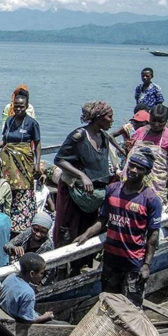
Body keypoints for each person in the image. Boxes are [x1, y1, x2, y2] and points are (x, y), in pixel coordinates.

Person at [76, 147, 161, 307]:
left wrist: (147, 265)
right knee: (108, 303)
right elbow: (103, 219)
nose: (133, 170)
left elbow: (153, 235)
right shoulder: (112, 190)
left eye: (139, 168)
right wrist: (86, 234)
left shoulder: (150, 199)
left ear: (147, 173)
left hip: (134, 261)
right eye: (132, 165)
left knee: (131, 307)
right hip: (111, 259)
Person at [54, 101, 114, 254]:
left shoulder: (104, 137)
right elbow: (59, 159)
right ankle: (63, 265)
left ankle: (83, 262)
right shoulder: (79, 136)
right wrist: (82, 175)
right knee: (69, 228)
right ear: (98, 118)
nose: (112, 120)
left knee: (88, 227)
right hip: (76, 193)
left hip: (94, 195)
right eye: (110, 117)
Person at [0, 91, 41, 235]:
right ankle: (5, 218)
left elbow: (38, 144)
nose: (19, 109)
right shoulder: (9, 120)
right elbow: (5, 140)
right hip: (8, 160)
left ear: (26, 106)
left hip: (23, 162)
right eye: (16, 106)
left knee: (22, 190)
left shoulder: (32, 123)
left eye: (21, 106)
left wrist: (37, 163)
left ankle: (20, 225)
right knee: (6, 187)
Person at [128, 104, 168, 204]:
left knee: (151, 204)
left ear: (166, 120)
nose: (156, 124)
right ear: (149, 117)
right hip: (134, 177)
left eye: (161, 121)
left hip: (156, 182)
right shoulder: (140, 132)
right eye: (153, 120)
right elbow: (129, 154)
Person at [0, 253, 56, 323]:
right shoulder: (28, 293)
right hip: (16, 322)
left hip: (4, 312)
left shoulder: (11, 277)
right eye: (41, 273)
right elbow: (27, 320)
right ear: (32, 274)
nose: (42, 276)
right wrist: (45, 316)